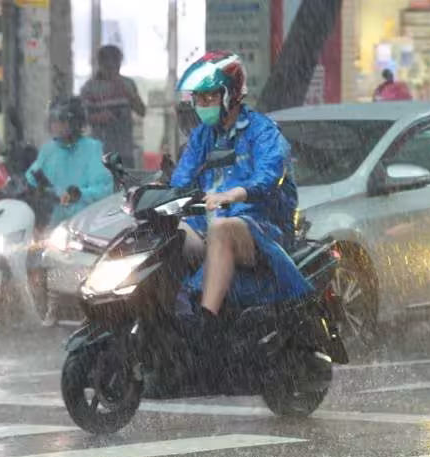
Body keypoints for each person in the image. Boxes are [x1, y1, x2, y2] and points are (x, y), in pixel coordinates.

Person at [169, 50, 313, 344]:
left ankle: (206, 325)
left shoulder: (262, 131)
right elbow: (180, 181)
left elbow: (269, 175)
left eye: (209, 96)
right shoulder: (202, 136)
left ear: (230, 95)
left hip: (260, 229)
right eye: (198, 98)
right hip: (205, 227)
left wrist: (234, 194)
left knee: (223, 228)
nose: (202, 104)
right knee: (166, 233)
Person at [24, 97, 114, 327]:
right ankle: (41, 306)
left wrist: (80, 193)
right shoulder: (49, 150)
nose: (56, 126)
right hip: (53, 221)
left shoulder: (92, 149)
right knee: (33, 254)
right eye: (53, 120)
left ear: (75, 123)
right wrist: (31, 184)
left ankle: (76, 307)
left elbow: (104, 187)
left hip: (83, 223)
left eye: (61, 120)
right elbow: (32, 176)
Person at [80, 45, 146, 170]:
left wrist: (129, 94)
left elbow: (142, 111)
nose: (112, 70)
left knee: (125, 180)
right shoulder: (90, 88)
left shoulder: (128, 83)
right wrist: (100, 117)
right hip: (101, 150)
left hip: (125, 149)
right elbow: (82, 118)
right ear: (100, 65)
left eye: (116, 66)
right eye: (108, 67)